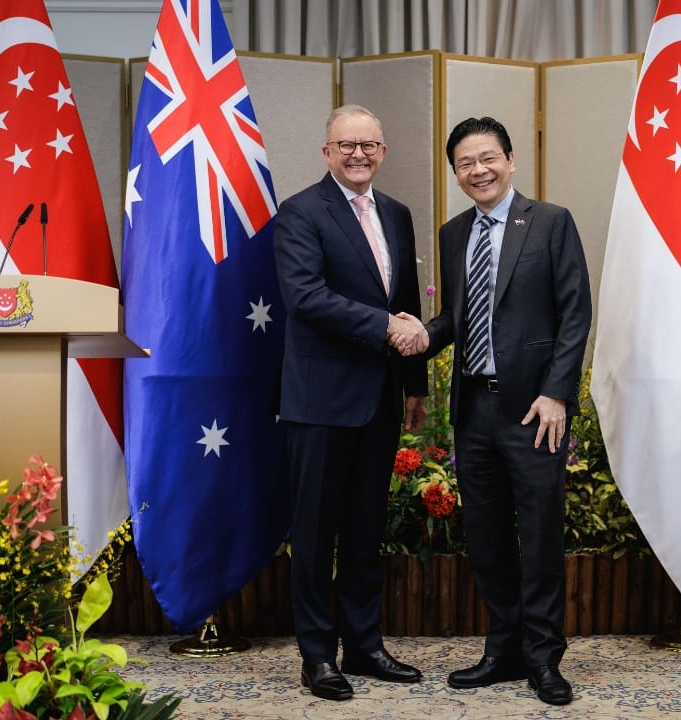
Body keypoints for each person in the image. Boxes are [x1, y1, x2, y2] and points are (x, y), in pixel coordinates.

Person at [394, 116, 592, 706]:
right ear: (455, 172)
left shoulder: (551, 222)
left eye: (488, 158)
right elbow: (456, 316)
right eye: (464, 163)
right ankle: (501, 650)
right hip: (474, 409)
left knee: (538, 535)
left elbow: (574, 312)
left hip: (534, 408)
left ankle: (543, 657)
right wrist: (421, 335)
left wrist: (557, 392)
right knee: (484, 538)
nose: (477, 170)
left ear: (509, 160)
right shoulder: (454, 233)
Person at [273, 104, 430, 701]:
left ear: (383, 151)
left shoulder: (396, 213)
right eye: (347, 145)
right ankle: (318, 656)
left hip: (381, 399)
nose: (359, 155)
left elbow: (408, 302)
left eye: (369, 145)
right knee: (315, 535)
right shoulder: (301, 212)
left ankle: (364, 646)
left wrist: (414, 382)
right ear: (326, 151)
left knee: (366, 530)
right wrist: (386, 329)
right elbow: (305, 297)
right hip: (319, 401)